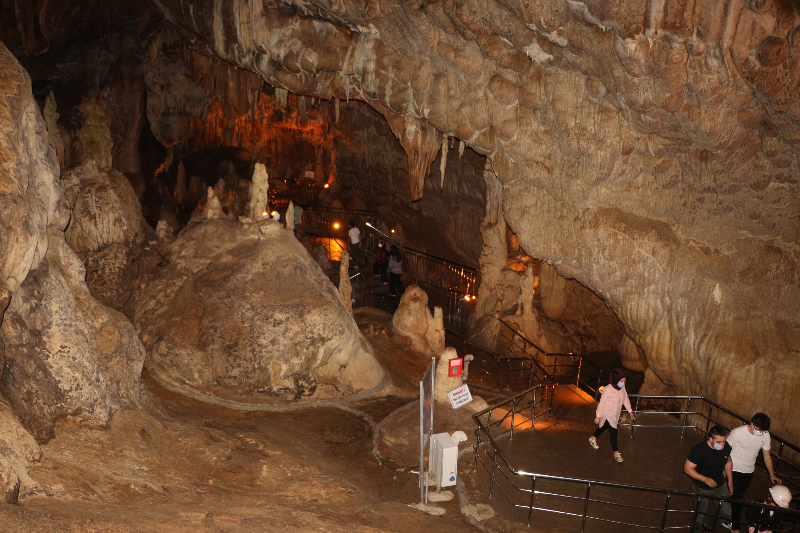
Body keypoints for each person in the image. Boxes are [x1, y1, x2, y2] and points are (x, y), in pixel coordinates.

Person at [725, 413, 781, 532]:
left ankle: (726, 515)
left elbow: (766, 456)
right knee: (738, 499)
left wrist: (772, 474)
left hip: (749, 471)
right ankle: (735, 528)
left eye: (763, 430)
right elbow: (725, 451)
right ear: (752, 424)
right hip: (734, 469)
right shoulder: (738, 432)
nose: (760, 432)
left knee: (736, 496)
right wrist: (724, 469)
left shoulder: (765, 435)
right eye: (759, 429)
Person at [685, 425, 733, 533]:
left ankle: (708, 526)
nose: (722, 444)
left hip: (721, 485)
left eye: (724, 441)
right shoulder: (699, 450)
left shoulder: (725, 446)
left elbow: (728, 461)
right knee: (699, 516)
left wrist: (730, 481)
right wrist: (704, 479)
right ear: (711, 439)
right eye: (719, 442)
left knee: (726, 514)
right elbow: (687, 468)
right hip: (702, 488)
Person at [589, 368, 635, 463]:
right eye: (621, 381)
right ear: (616, 379)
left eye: (624, 381)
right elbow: (601, 404)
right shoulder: (608, 389)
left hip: (615, 414)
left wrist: (630, 411)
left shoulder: (622, 388)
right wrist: (598, 416)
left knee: (603, 427)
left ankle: (593, 438)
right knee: (614, 433)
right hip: (607, 414)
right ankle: (616, 453)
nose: (623, 383)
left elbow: (625, 399)